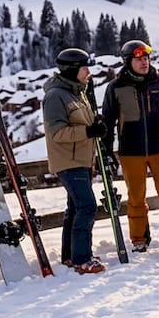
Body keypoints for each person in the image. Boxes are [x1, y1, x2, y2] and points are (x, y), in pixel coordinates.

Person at [101, 39, 159, 253]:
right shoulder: (116, 88)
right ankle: (139, 239)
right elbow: (107, 122)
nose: (144, 62)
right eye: (139, 59)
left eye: (147, 58)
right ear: (128, 61)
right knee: (136, 198)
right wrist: (106, 153)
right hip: (131, 152)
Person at [42, 47, 107, 275]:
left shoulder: (76, 92)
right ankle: (82, 258)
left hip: (81, 160)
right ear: (72, 70)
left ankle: (70, 255)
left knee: (74, 207)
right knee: (87, 206)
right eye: (84, 68)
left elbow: (81, 124)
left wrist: (95, 124)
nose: (88, 72)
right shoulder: (55, 97)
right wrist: (89, 131)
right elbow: (57, 133)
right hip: (68, 162)